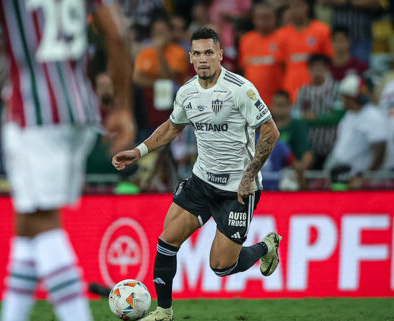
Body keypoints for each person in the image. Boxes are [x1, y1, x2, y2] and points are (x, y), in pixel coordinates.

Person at [0, 1, 133, 321]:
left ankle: (77, 315)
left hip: (35, 115)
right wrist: (123, 105)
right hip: (81, 111)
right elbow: (119, 32)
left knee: (43, 223)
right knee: (27, 224)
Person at [112, 27, 282, 321]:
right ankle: (164, 312)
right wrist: (138, 151)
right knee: (166, 243)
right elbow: (172, 127)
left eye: (209, 52)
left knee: (221, 266)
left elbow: (270, 132)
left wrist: (249, 175)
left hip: (238, 191)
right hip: (201, 182)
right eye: (197, 53)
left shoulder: (240, 89)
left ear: (220, 55)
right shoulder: (187, 92)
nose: (203, 59)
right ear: (190, 57)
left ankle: (267, 246)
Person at [326, 74, 387, 189]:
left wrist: (367, 176)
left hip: (358, 177)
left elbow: (381, 147)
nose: (342, 100)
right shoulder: (349, 115)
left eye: (344, 97)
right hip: (341, 174)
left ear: (353, 98)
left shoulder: (372, 116)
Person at [292, 54, 343, 170]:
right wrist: (324, 118)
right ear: (309, 70)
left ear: (326, 70)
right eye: (314, 68)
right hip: (310, 147)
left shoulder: (335, 88)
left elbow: (337, 118)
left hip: (332, 145)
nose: (317, 72)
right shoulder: (303, 91)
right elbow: (297, 117)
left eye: (320, 68)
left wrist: (313, 117)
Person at [275, 0, 333, 100]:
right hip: (290, 89)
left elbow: (329, 60)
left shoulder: (322, 30)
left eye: (298, 5)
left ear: (307, 7)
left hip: (317, 90)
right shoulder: (281, 34)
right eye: (292, 6)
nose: (295, 10)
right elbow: (281, 64)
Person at [238, 3, 283, 106]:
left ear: (274, 18)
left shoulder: (282, 38)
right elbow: (243, 68)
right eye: (259, 17)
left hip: (277, 102)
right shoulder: (246, 40)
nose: (263, 21)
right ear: (254, 18)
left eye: (267, 17)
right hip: (252, 101)